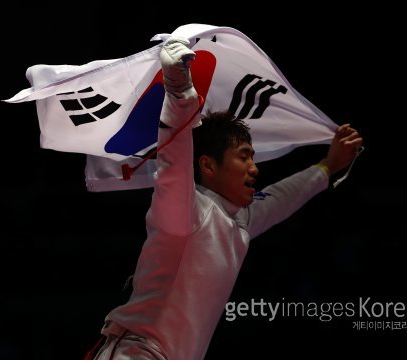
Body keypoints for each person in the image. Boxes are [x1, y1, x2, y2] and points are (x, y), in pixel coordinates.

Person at [87, 37, 363, 360]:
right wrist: (179, 91)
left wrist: (328, 166)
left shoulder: (239, 220)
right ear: (208, 165)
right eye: (244, 157)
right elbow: (173, 161)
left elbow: (280, 198)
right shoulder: (186, 211)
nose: (254, 168)